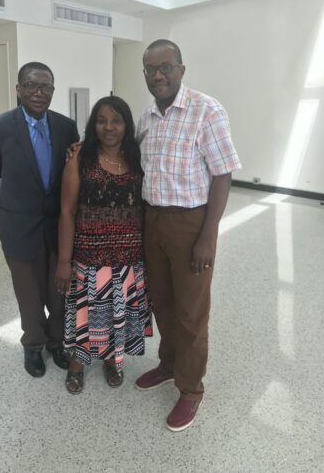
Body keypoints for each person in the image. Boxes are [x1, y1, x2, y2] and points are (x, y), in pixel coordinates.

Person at [134, 40, 242, 432]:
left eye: (165, 67)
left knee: (191, 313)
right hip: (153, 221)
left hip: (190, 224)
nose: (158, 75)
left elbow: (223, 174)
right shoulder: (146, 117)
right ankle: (168, 365)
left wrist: (208, 235)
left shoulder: (206, 110)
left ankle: (191, 388)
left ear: (181, 69)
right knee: (162, 303)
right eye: (150, 69)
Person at [0, 61, 79, 378]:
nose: (38, 92)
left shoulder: (66, 127)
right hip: (18, 228)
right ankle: (33, 345)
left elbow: (73, 175)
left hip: (58, 227)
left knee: (59, 291)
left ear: (53, 91)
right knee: (29, 294)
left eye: (46, 86)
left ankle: (57, 341)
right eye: (31, 85)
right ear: (19, 89)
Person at [56, 96, 152, 394]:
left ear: (127, 125)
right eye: (101, 121)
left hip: (128, 259)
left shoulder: (137, 157)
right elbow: (67, 211)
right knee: (85, 316)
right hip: (89, 258)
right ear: (92, 125)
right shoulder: (80, 158)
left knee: (116, 314)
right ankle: (76, 365)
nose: (109, 127)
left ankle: (112, 358)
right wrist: (64, 261)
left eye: (116, 121)